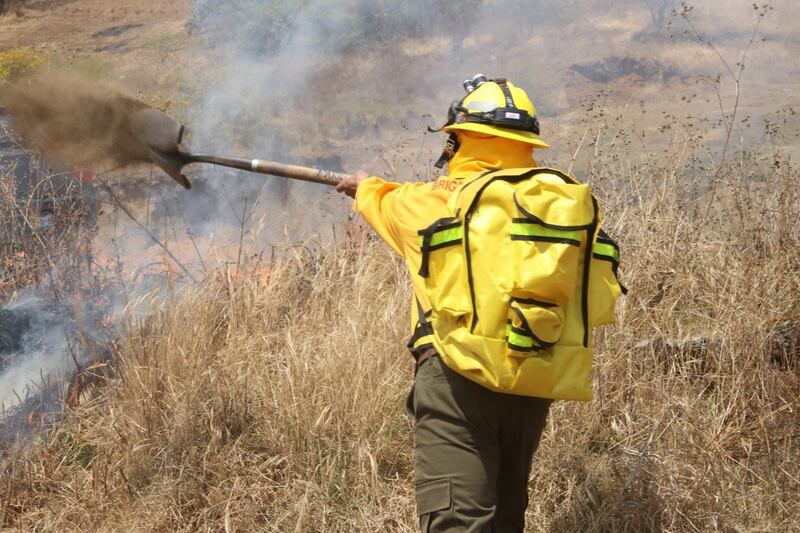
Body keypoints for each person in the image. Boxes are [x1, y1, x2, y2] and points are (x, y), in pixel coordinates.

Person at [336, 76, 589, 532]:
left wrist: (364, 187)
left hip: (457, 374)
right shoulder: (557, 203)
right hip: (536, 374)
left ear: (458, 138)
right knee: (506, 515)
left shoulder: (426, 203)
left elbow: (383, 199)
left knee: (458, 520)